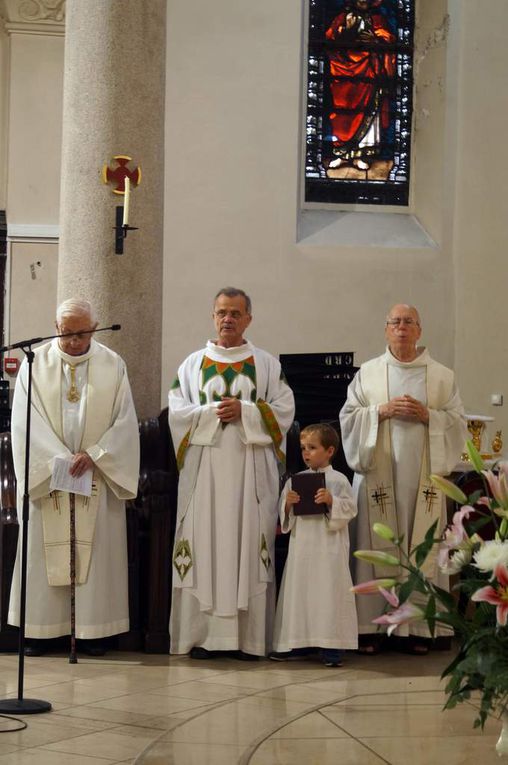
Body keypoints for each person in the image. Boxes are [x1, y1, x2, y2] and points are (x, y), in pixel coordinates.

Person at [168, 287, 295, 659]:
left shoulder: (267, 364)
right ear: (212, 316)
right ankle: (203, 636)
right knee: (202, 544)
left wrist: (247, 413)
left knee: (248, 544)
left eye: (236, 313)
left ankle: (248, 639)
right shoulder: (192, 364)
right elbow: (177, 411)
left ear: (248, 319)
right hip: (204, 471)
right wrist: (211, 414)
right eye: (222, 312)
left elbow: (284, 409)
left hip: (249, 472)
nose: (228, 319)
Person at [8, 298, 139, 656]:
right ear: (55, 326)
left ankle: (94, 632)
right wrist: (58, 460)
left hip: (96, 474)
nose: (73, 340)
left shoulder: (113, 365)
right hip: (50, 476)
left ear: (94, 328)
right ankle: (42, 631)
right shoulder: (34, 365)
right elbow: (23, 422)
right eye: (66, 332)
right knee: (43, 552)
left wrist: (95, 455)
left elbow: (124, 421)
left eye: (81, 333)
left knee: (96, 552)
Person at [339, 304, 467, 653]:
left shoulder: (442, 375)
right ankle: (371, 628)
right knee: (376, 543)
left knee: (420, 544)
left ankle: (419, 630)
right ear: (385, 330)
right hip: (379, 479)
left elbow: (457, 421)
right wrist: (379, 412)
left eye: (408, 322)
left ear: (419, 330)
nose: (401, 327)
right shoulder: (368, 373)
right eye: (394, 322)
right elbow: (348, 417)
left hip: (423, 481)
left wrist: (429, 416)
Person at [270, 424, 358, 667]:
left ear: (330, 451)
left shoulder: (339, 480)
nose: (306, 453)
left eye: (312, 448)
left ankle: (331, 646)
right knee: (300, 593)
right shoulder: (296, 481)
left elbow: (350, 509)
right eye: (302, 448)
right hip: (302, 550)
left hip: (328, 550)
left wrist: (332, 501)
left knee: (328, 594)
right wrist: (287, 504)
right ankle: (296, 642)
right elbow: (285, 519)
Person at [325, 0, 396, 171]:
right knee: (342, 112)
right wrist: (345, 31)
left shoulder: (377, 19)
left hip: (368, 71)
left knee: (367, 110)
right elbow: (329, 37)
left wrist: (376, 39)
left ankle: (361, 154)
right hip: (343, 71)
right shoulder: (342, 17)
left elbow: (388, 39)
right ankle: (341, 154)